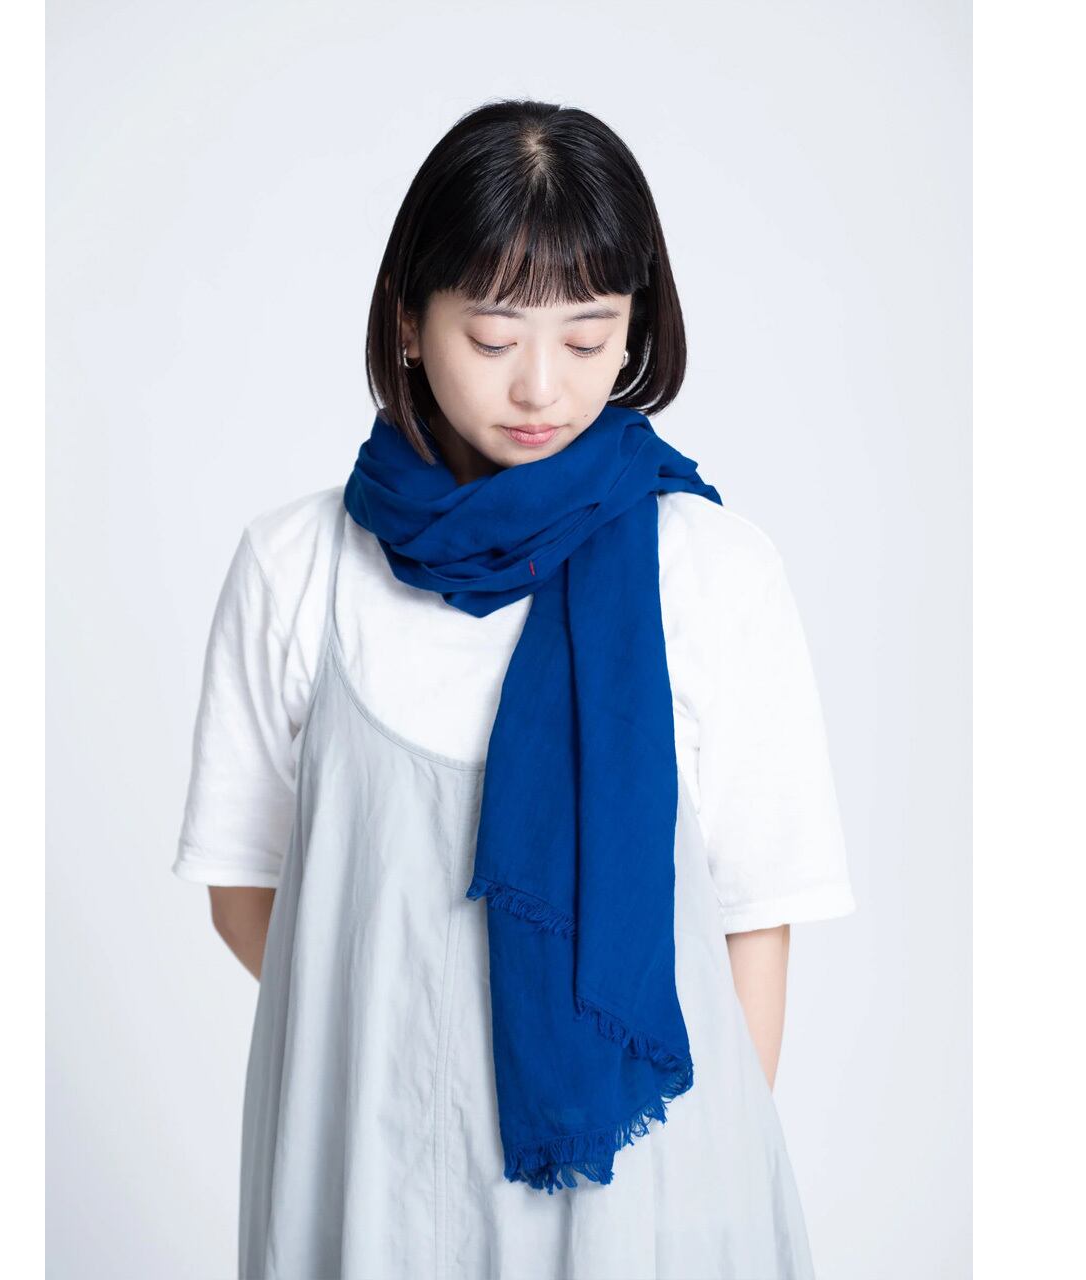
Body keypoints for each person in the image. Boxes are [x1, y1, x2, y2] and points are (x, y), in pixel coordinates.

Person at [174, 98, 856, 1280]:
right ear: (407, 320)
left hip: (642, 1195)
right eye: (493, 338)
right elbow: (245, 891)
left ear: (635, 327)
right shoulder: (296, 568)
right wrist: (401, 1055)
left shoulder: (712, 571)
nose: (540, 386)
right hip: (371, 1179)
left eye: (588, 339)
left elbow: (755, 917)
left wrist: (695, 1190)